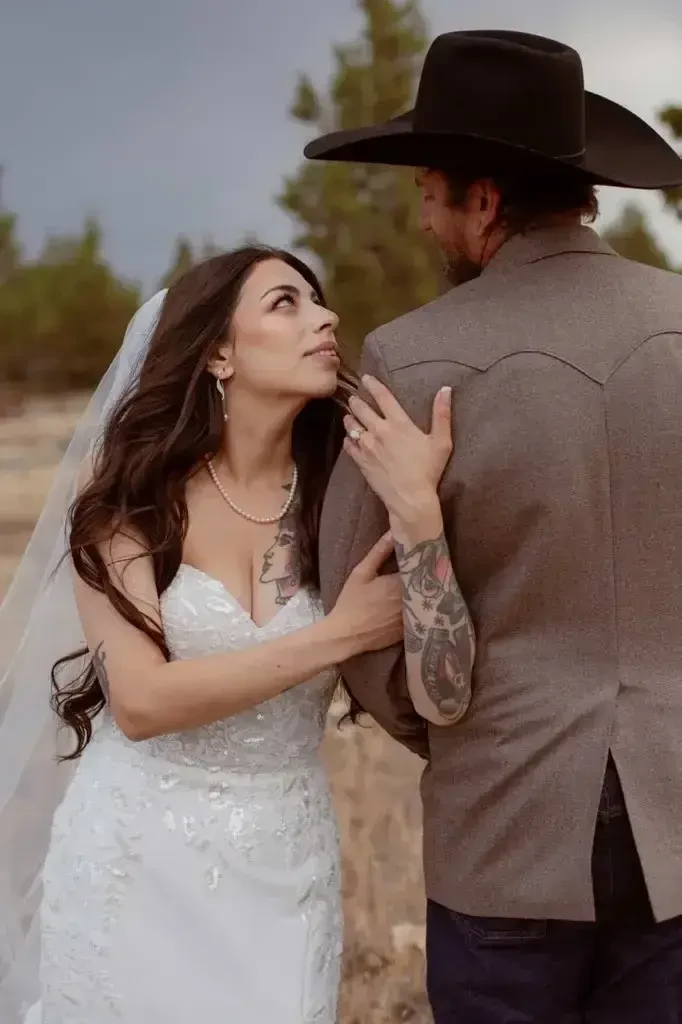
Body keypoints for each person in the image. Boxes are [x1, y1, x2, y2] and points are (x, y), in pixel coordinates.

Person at [308, 28, 682, 1024]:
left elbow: (359, 609)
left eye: (429, 189)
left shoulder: (410, 356)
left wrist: (460, 729)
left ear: (485, 200)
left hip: (503, 826)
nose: (423, 215)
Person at [0, 245, 473, 1024]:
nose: (326, 318)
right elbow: (143, 700)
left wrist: (420, 508)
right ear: (218, 349)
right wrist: (338, 633)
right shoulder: (130, 493)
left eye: (319, 302)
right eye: (286, 303)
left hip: (287, 864)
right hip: (137, 857)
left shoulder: (341, 500)